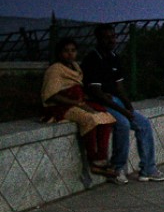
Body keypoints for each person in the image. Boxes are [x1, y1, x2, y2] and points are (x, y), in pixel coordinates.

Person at [83, 25, 164, 183]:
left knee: (144, 124)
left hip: (115, 101)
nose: (111, 40)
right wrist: (123, 111)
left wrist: (128, 105)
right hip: (99, 102)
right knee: (122, 124)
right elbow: (97, 92)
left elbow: (119, 87)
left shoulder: (114, 57)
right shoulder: (92, 59)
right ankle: (117, 168)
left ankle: (148, 169)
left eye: (113, 36)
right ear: (98, 39)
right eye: (107, 37)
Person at [42, 38, 119, 180]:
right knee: (90, 119)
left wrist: (91, 98)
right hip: (62, 106)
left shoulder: (76, 67)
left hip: (78, 102)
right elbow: (52, 95)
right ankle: (93, 160)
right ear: (59, 53)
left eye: (73, 51)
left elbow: (79, 89)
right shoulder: (55, 69)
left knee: (106, 118)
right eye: (66, 51)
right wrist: (75, 103)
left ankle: (101, 159)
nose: (70, 54)